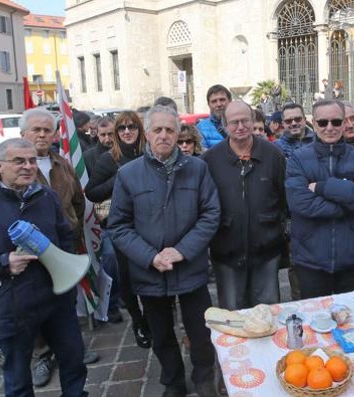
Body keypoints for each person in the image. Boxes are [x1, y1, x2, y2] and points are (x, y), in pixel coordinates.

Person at [0, 138, 87, 397]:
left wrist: (66, 267)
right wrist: (3, 262)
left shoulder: (48, 197)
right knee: (18, 377)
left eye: (32, 160)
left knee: (74, 362)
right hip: (12, 304)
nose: (28, 166)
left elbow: (64, 236)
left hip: (56, 298)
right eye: (19, 161)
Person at [109, 105, 221, 397]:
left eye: (169, 130)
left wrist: (182, 251)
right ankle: (172, 381)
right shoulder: (128, 174)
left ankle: (204, 378)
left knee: (200, 331)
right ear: (147, 134)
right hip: (150, 271)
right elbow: (118, 226)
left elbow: (210, 215)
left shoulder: (197, 169)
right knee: (161, 334)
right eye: (157, 130)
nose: (163, 135)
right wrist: (150, 256)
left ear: (178, 133)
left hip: (190, 267)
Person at [16, 108, 95, 387]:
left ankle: (69, 352)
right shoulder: (12, 167)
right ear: (23, 133)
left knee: (65, 302)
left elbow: (77, 201)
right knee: (36, 307)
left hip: (65, 247)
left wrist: (72, 229)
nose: (41, 134)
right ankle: (42, 356)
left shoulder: (63, 165)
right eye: (36, 129)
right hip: (31, 255)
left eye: (47, 130)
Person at [286, 99, 354, 298]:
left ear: (345, 122)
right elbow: (300, 202)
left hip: (353, 260)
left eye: (336, 122)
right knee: (316, 324)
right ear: (314, 123)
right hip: (311, 261)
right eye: (323, 122)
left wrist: (321, 187)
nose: (330, 127)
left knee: (353, 323)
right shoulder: (298, 159)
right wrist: (348, 200)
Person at [203, 101, 287, 310]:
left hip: (266, 250)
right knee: (234, 316)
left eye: (245, 121)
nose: (240, 126)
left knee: (267, 314)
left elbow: (284, 200)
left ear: (253, 121)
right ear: (224, 126)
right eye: (234, 122)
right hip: (227, 251)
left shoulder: (273, 155)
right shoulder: (211, 160)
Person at [83, 111, 151, 348]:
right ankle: (138, 321)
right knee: (127, 278)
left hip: (151, 225)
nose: (127, 132)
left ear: (140, 129)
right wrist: (120, 178)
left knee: (152, 274)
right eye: (121, 128)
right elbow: (91, 192)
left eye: (132, 127)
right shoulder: (110, 159)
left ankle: (152, 318)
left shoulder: (150, 153)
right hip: (123, 226)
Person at [196, 84, 231, 149]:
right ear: (208, 105)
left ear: (230, 101)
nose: (219, 104)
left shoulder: (240, 123)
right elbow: (203, 155)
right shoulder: (201, 128)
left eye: (222, 100)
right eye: (214, 101)